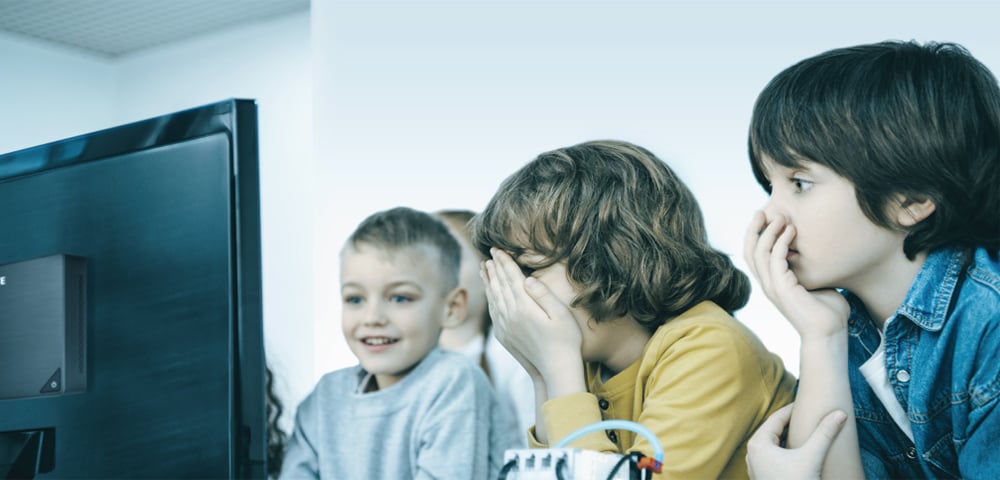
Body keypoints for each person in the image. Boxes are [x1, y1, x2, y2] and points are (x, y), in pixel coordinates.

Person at [743, 40, 1000, 479]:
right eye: (770, 185)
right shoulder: (844, 327)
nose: (768, 215)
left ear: (913, 199)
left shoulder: (988, 325)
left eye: (799, 182)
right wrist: (821, 337)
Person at [472, 140, 797, 478]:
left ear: (610, 259)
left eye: (527, 270)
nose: (510, 296)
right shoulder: (584, 368)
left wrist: (557, 367)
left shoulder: (710, 347)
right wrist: (542, 374)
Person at [279, 206, 515, 479]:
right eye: (355, 299)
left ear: (451, 308)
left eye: (400, 298)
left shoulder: (454, 382)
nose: (373, 317)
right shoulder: (324, 398)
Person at [435, 209, 535, 447]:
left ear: (490, 273)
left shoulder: (512, 356)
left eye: (449, 256)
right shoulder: (410, 360)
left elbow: (539, 450)